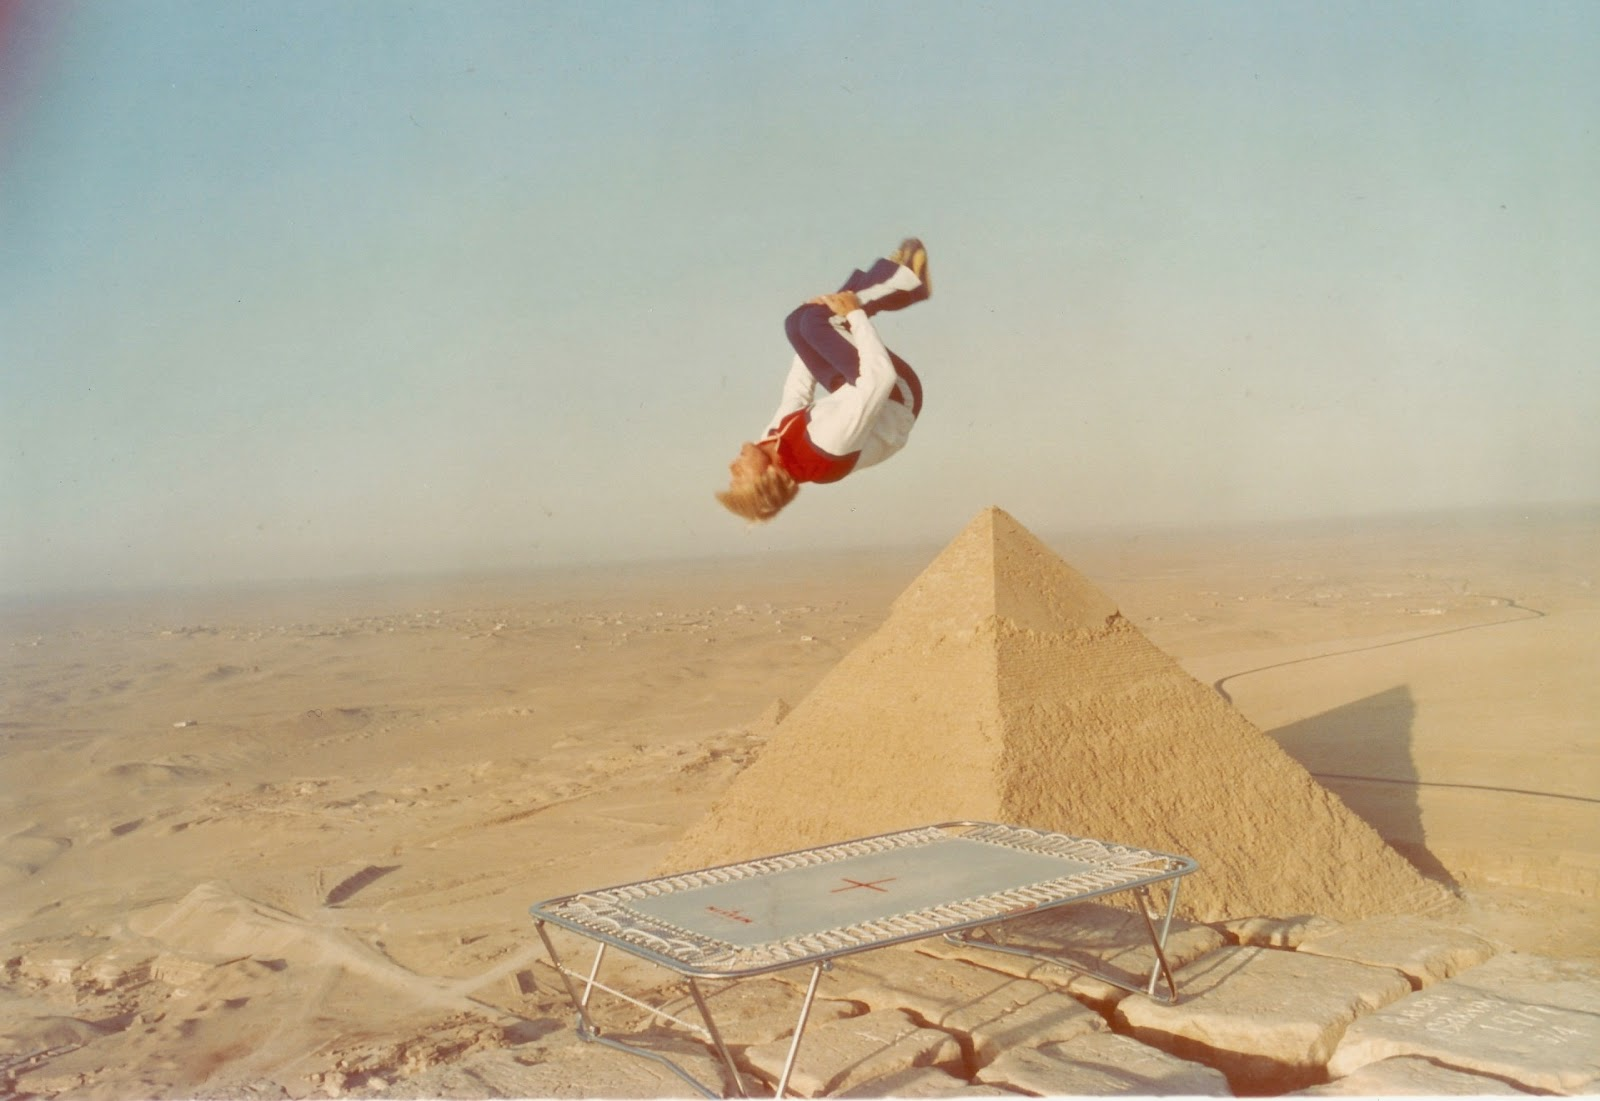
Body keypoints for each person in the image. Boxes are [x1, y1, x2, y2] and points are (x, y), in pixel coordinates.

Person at [716, 238, 930, 523]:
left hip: (854, 390)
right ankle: (906, 282)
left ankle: (887, 278)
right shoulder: (824, 448)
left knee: (798, 323)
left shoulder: (773, 445)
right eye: (739, 478)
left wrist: (813, 325)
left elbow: (796, 395)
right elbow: (880, 380)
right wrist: (852, 314)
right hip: (897, 395)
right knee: (816, 322)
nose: (732, 467)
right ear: (769, 477)